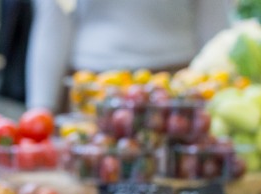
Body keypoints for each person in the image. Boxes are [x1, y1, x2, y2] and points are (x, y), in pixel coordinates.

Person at [26, 0, 233, 111]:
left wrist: (218, 95)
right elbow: (54, 19)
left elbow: (215, 27)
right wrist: (41, 107)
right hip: (91, 89)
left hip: (175, 88)